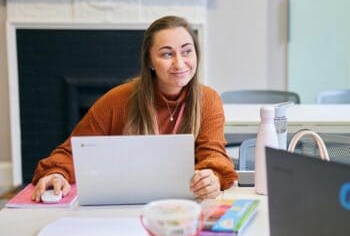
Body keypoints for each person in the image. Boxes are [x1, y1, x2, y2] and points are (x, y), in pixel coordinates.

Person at [30, 15, 237, 202]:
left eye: (187, 51)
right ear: (149, 61)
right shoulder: (117, 100)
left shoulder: (208, 100)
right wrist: (57, 173)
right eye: (167, 54)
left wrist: (213, 177)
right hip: (124, 204)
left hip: (184, 205)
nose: (180, 62)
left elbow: (214, 156)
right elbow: (73, 150)